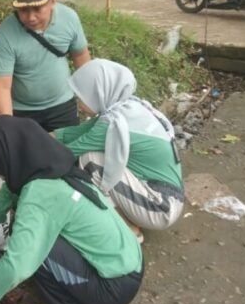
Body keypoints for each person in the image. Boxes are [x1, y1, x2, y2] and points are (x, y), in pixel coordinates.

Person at [0, 116, 143, 304]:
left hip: (113, 289)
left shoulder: (39, 193)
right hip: (129, 262)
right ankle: (70, 289)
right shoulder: (51, 163)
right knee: (33, 237)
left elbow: (17, 266)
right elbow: (9, 189)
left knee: (34, 247)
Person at [51, 59, 184, 242]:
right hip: (165, 197)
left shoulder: (112, 123)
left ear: (98, 93)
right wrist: (45, 135)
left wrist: (33, 151)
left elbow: (67, 153)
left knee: (91, 161)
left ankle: (128, 228)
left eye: (81, 97)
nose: (79, 103)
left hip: (161, 207)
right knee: (98, 159)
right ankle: (129, 214)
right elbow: (78, 131)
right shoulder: (127, 108)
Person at [0, 0, 91, 132]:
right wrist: (9, 127)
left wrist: (89, 96)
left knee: (66, 155)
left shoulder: (69, 18)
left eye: (37, 9)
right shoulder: (4, 35)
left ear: (52, 2)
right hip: (23, 113)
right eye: (24, 10)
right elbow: (2, 86)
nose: (31, 17)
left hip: (63, 106)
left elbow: (81, 56)